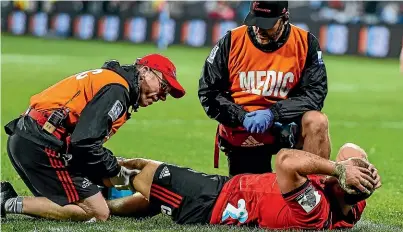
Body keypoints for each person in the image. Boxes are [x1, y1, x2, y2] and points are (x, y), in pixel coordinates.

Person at [0, 54, 185, 221]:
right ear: (144, 71)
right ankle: (6, 201)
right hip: (41, 145)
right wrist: (115, 170)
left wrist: (110, 169)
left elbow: (82, 144)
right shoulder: (117, 89)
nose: (163, 96)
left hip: (31, 138)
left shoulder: (114, 81)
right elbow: (84, 143)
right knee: (97, 212)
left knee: (82, 198)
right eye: (163, 86)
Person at [105, 143, 381, 230]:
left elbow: (284, 160)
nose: (334, 169)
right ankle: (105, 207)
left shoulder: (315, 210)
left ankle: (81, 168)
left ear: (340, 185)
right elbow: (349, 149)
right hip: (226, 190)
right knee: (151, 198)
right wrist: (364, 168)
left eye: (337, 175)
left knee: (143, 170)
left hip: (209, 204)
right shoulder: (353, 202)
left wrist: (337, 169)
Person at [198, 1, 330, 176]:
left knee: (317, 121)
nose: (259, 29)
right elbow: (208, 92)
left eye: (266, 24)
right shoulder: (231, 41)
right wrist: (241, 116)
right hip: (245, 128)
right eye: (255, 21)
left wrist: (273, 114)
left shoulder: (305, 43)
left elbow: (315, 94)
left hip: (287, 127)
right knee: (252, 197)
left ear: (284, 18)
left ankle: (315, 195)